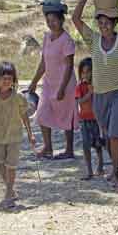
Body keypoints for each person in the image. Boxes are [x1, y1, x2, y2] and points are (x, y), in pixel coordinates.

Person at [72, 0, 118, 187]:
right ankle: (115, 167)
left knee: (115, 134)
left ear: (114, 22)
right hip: (100, 95)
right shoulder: (94, 40)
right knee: (107, 134)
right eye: (100, 22)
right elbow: (75, 19)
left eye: (107, 22)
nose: (103, 26)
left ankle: (116, 173)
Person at [0, 62, 35, 208]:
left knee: (11, 165)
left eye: (10, 78)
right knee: (1, 166)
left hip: (14, 136)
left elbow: (24, 116)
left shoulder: (18, 97)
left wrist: (30, 134)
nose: (7, 81)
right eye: (4, 78)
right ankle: (11, 191)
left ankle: (9, 193)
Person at [29, 10, 78, 159]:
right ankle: (48, 147)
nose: (51, 23)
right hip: (49, 83)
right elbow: (43, 63)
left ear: (61, 20)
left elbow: (69, 66)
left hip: (65, 83)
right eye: (48, 20)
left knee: (66, 115)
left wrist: (62, 88)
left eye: (54, 20)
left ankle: (69, 150)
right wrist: (34, 82)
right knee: (43, 113)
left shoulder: (66, 40)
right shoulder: (46, 37)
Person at [76, 57, 104, 180]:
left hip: (97, 119)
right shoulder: (80, 87)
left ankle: (101, 165)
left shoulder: (98, 85)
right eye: (83, 72)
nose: (86, 74)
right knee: (86, 144)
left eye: (88, 71)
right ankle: (89, 171)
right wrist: (89, 93)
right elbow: (79, 102)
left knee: (98, 143)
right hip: (84, 119)